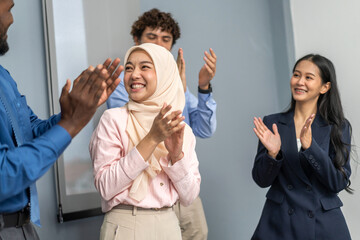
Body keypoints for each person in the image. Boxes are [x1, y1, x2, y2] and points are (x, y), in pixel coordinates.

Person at [0, 0, 122, 239]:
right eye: (8, 9)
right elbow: (4, 175)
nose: (11, 19)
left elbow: (29, 131)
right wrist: (71, 124)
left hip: (23, 227)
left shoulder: (3, 76)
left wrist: (71, 114)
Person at [107, 8, 216, 239]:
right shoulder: (126, 83)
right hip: (141, 191)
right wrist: (171, 94)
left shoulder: (178, 82)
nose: (158, 44)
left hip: (177, 180)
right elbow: (140, 124)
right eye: (151, 37)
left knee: (198, 232)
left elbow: (202, 129)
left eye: (165, 39)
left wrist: (200, 87)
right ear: (137, 40)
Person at [89, 43, 200, 240]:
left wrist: (176, 156)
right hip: (125, 224)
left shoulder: (181, 128)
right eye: (129, 68)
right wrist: (152, 139)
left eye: (145, 67)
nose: (134, 74)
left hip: (169, 223)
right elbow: (105, 187)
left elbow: (189, 196)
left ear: (165, 74)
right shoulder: (113, 119)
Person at [251, 54, 352, 240]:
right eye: (296, 75)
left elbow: (338, 182)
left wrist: (310, 148)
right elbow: (261, 180)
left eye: (308, 77)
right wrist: (272, 155)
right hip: (280, 222)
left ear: (325, 87)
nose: (300, 82)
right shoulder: (272, 123)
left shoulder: (338, 126)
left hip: (322, 223)